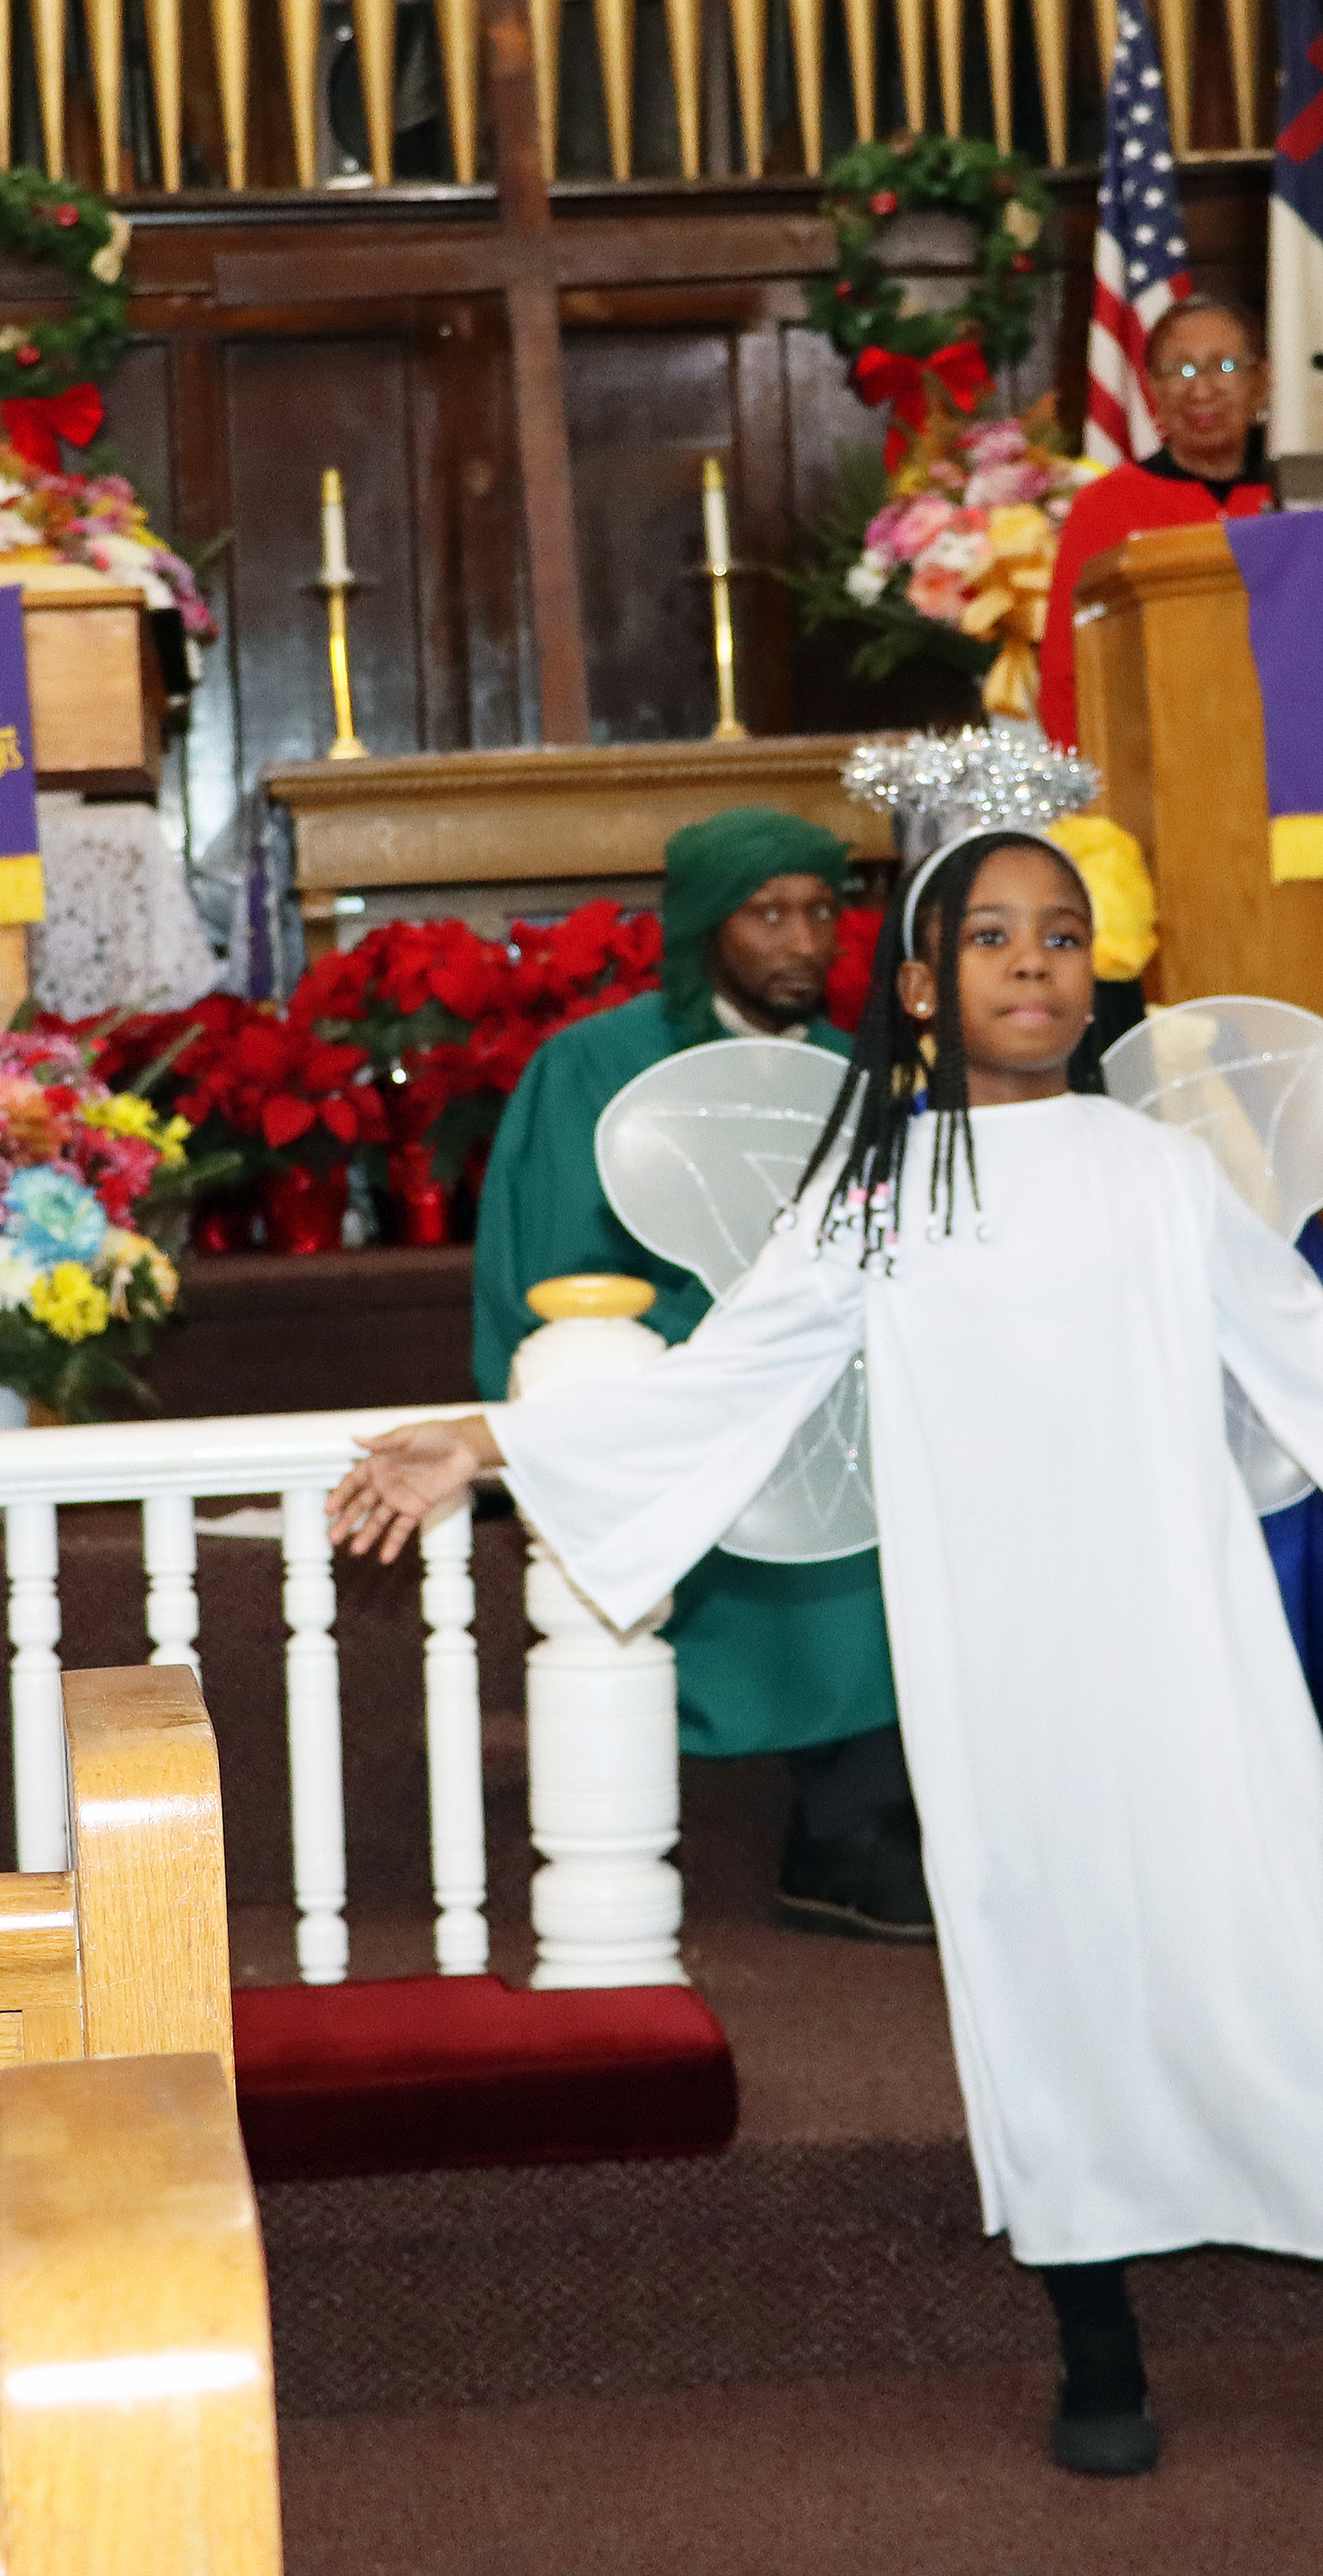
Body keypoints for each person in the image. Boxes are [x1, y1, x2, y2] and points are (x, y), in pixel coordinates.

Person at [340, 831, 1323, 2480]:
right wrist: (482, 1441)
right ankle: (1096, 2333)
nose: (1035, 961)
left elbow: (1308, 1344)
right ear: (920, 983)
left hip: (1189, 1642)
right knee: (1056, 1968)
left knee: (1280, 1946)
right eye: (990, 936)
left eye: (1061, 934)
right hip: (1004, 1654)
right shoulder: (882, 1188)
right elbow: (721, 1383)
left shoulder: (1159, 1168)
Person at [465, 805, 919, 1938]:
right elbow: (558, 1269)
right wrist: (728, 1346)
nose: (802, 942)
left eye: (821, 910)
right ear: (709, 926)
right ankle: (829, 1816)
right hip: (663, 1384)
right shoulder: (600, 1067)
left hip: (820, 1394)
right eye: (769, 914)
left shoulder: (852, 1073)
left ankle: (860, 1817)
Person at [1033, 298, 1275, 750]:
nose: (1201, 390)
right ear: (1153, 390)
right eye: (1179, 371)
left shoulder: (1295, 498)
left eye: (1223, 366)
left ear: (1259, 382)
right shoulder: (1107, 506)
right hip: (1157, 762)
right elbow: (1067, 668)